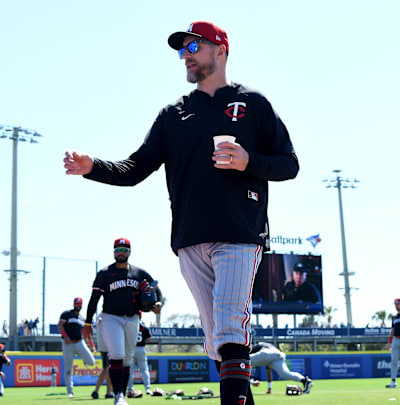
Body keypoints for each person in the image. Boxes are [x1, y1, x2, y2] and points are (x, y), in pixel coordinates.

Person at [63, 21, 298, 405]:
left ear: (220, 50)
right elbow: (136, 169)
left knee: (228, 329)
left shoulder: (253, 103)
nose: (185, 55)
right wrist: (94, 168)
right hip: (190, 239)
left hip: (239, 232)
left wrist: (248, 160)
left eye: (194, 47)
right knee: (217, 343)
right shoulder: (174, 113)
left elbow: (289, 164)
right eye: (182, 50)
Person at [82, 238, 162, 405]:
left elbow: (156, 289)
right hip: (111, 318)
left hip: (133, 318)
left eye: (124, 250)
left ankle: (122, 395)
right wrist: (88, 323)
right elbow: (94, 299)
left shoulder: (139, 273)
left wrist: (158, 303)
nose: (121, 252)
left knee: (127, 358)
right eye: (118, 249)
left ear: (129, 252)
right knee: (117, 354)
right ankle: (118, 395)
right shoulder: (105, 273)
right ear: (113, 252)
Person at [59, 297, 96, 398]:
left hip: (79, 342)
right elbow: (60, 325)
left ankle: (84, 358)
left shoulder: (82, 318)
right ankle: (70, 391)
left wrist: (92, 346)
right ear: (74, 304)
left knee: (91, 361)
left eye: (80, 304)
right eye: (77, 304)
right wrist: (65, 336)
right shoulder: (66, 314)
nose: (78, 306)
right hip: (68, 343)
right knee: (68, 369)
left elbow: (87, 334)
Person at [126, 323, 153, 397]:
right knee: (144, 369)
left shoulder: (130, 326)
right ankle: (147, 388)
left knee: (130, 371)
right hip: (141, 349)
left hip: (131, 349)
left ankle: (130, 389)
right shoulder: (144, 328)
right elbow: (149, 340)